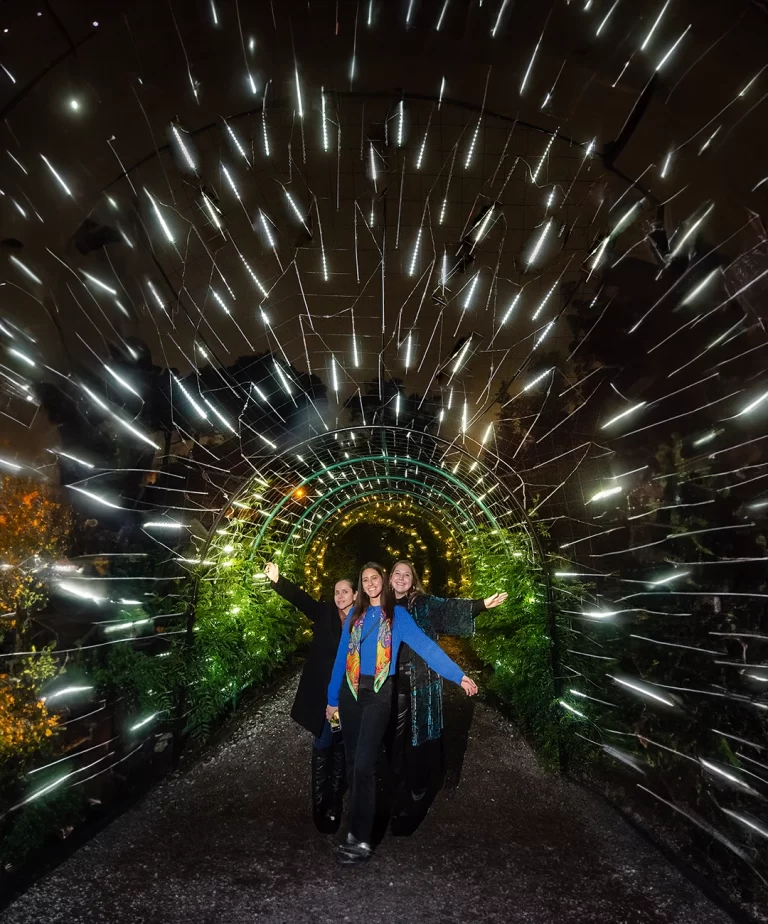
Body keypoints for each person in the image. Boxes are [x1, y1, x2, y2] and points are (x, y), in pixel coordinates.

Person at [326, 562, 478, 864]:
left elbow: (427, 648)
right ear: (362, 585)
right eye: (365, 579)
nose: (370, 583)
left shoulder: (398, 616)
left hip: (380, 694)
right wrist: (332, 701)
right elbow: (340, 660)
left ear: (383, 581)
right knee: (353, 763)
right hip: (350, 692)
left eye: (375, 578)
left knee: (363, 767)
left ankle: (360, 840)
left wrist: (458, 675)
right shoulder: (354, 618)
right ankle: (353, 825)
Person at [388, 560, 508, 825]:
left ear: (414, 580)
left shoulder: (423, 603)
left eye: (407, 574)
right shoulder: (380, 606)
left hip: (421, 680)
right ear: (389, 577)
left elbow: (448, 608)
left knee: (417, 738)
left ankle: (417, 795)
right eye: (397, 573)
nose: (401, 578)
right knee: (392, 742)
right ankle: (397, 792)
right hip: (389, 685)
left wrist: (481, 605)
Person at [264, 561, 355, 834]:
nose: (339, 596)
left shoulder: (363, 619)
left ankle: (334, 802)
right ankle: (319, 802)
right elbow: (300, 599)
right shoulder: (324, 612)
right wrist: (279, 581)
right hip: (321, 691)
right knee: (323, 738)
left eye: (345, 592)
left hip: (345, 694)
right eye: (336, 591)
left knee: (339, 743)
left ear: (355, 594)